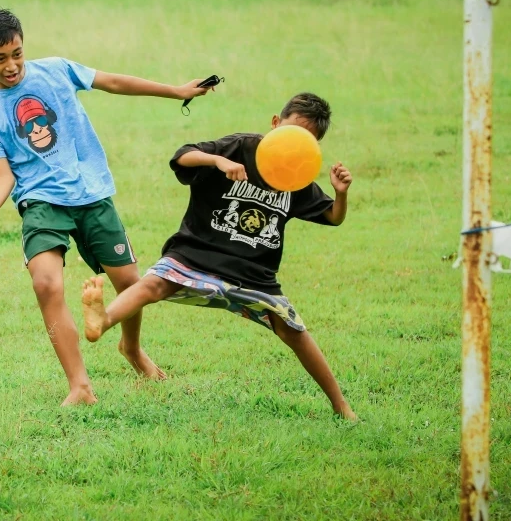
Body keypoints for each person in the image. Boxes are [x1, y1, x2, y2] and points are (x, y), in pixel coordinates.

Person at [0, 8, 215, 406]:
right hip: (41, 201)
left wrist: (176, 91)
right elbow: (3, 177)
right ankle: (80, 386)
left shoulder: (57, 70)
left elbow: (112, 81)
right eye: (0, 59)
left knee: (130, 285)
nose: (11, 66)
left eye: (17, 54)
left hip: (91, 193)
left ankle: (131, 349)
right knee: (45, 283)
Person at [80, 93, 358, 420]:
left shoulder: (296, 175)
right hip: (197, 252)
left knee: (293, 331)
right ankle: (102, 319)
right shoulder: (240, 147)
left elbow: (332, 217)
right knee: (153, 285)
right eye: (291, 132)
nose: (295, 145)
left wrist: (341, 194)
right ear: (275, 124)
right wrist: (217, 161)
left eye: (306, 141)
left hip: (253, 272)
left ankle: (342, 407)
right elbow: (183, 156)